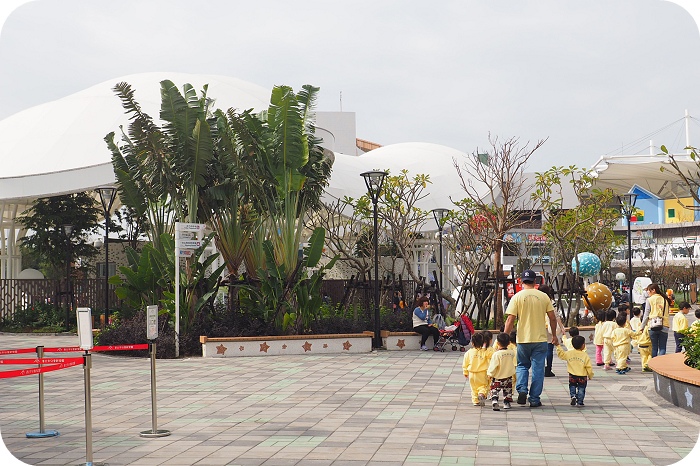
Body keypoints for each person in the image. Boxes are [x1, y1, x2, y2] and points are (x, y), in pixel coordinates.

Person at [503, 270, 559, 408]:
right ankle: (534, 399)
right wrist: (555, 336)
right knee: (538, 369)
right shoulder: (544, 297)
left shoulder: (517, 297)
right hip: (540, 339)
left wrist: (504, 337)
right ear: (535, 282)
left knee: (522, 365)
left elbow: (510, 319)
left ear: (521, 282)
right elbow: (552, 317)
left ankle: (522, 389)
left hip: (523, 339)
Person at [555, 335, 593, 407]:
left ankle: (573, 396)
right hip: (582, 376)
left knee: (572, 386)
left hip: (572, 374)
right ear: (582, 345)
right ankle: (580, 401)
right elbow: (588, 367)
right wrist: (590, 375)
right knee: (581, 388)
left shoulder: (569, 353)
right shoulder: (585, 355)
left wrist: (558, 346)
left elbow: (562, 354)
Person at [539, 284, 565, 378]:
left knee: (539, 350)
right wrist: (561, 327)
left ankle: (539, 369)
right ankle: (548, 369)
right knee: (549, 348)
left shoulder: (537, 300)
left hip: (538, 327)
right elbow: (556, 316)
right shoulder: (551, 301)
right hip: (550, 326)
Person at [640, 283, 672, 358]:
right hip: (664, 325)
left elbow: (646, 314)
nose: (648, 292)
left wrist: (642, 326)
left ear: (653, 290)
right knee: (663, 348)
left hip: (653, 325)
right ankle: (660, 365)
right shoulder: (665, 299)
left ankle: (654, 366)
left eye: (648, 290)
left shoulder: (649, 300)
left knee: (654, 348)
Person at [487, 332, 516, 411]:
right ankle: (506, 402)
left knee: (494, 389)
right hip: (508, 376)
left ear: (498, 343)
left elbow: (493, 365)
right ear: (509, 343)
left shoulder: (496, 354)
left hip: (497, 376)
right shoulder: (511, 352)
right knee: (507, 390)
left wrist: (490, 374)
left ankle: (495, 400)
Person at [463, 332, 490, 406]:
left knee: (473, 388)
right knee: (483, 386)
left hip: (471, 373)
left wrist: (465, 372)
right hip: (482, 373)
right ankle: (481, 394)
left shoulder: (469, 352)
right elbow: (490, 358)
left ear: (472, 343)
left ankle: (475, 401)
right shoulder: (485, 352)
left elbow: (465, 363)